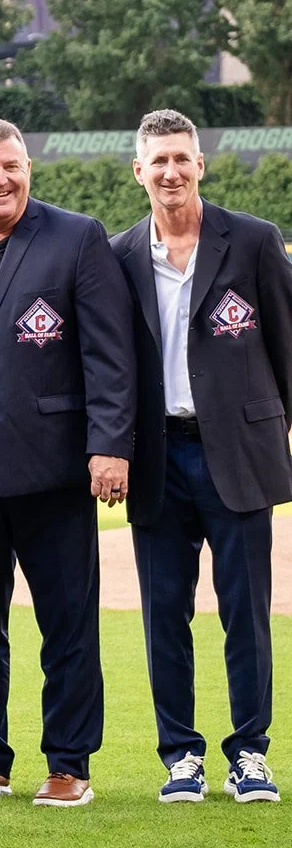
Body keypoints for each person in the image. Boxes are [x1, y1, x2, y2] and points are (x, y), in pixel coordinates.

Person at [0, 118, 135, 807]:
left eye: (11, 166)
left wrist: (110, 444)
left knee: (67, 619)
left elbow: (110, 353)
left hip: (56, 464)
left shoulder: (77, 237)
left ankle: (69, 762)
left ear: (28, 169)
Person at [110, 109, 292, 803]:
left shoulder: (251, 240)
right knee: (165, 613)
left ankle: (250, 751)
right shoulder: (119, 253)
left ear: (200, 164)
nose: (170, 171)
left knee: (245, 610)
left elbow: (286, 345)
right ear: (138, 171)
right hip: (158, 455)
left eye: (181, 158)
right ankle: (180, 754)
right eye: (157, 161)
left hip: (238, 453)